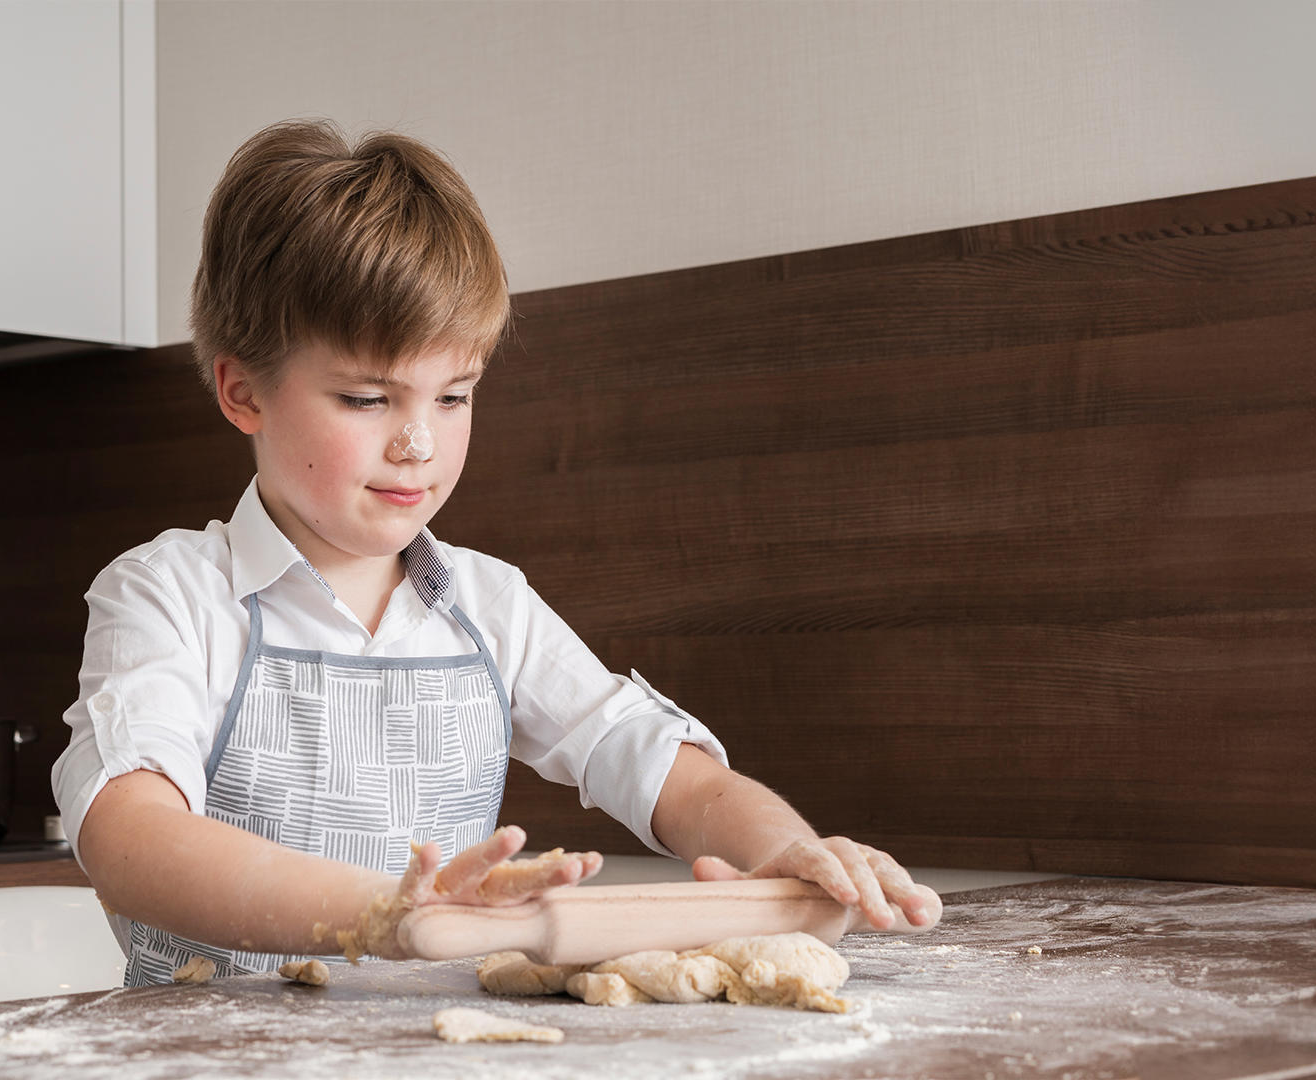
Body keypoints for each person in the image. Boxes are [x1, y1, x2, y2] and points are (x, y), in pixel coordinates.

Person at [53, 118, 941, 987]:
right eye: (367, 399)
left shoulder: (488, 605)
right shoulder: (168, 596)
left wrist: (783, 847)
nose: (419, 445)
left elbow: (659, 764)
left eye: (454, 396)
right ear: (243, 391)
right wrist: (386, 915)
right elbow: (133, 840)